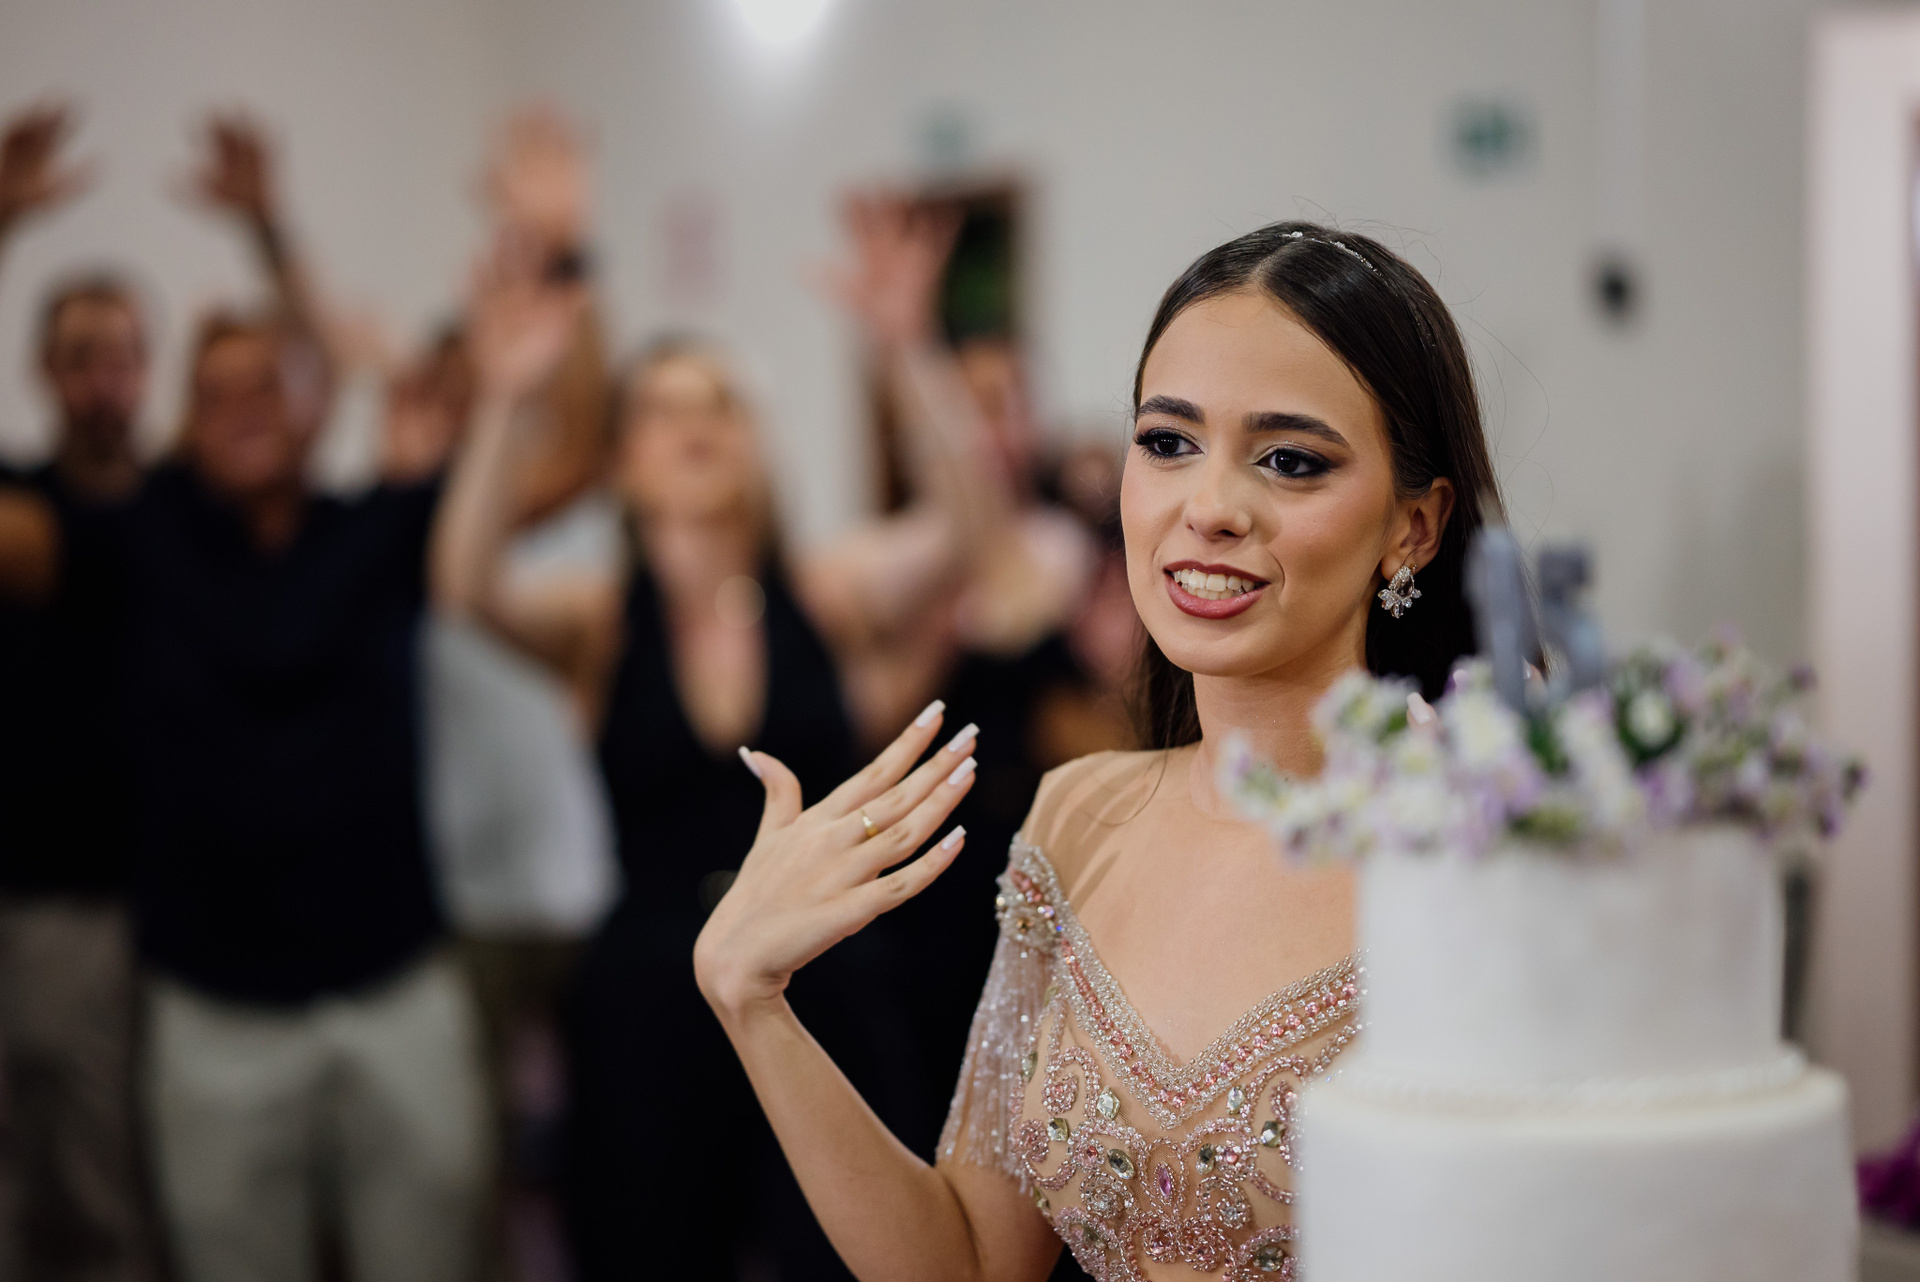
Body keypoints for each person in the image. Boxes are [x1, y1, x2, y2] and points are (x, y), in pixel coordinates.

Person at [690, 220, 1501, 1279]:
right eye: (1167, 443)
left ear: (1414, 526)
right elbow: (973, 1265)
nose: (1209, 508)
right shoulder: (1077, 816)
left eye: (1290, 461)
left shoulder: (1485, 836)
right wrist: (752, 1004)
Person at [0, 117, 490, 1282]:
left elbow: (515, 434)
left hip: (395, 989)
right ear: (184, 417)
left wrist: (272, 232)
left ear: (318, 401)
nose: (246, 404)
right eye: (214, 390)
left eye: (269, 382)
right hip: (212, 1013)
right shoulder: (141, 538)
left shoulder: (379, 527)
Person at [0, 101, 154, 1282]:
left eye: (122, 354)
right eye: (80, 355)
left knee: (127, 1187)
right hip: (45, 900)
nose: (104, 380)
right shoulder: (24, 513)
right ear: (44, 372)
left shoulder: (184, 511)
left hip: (162, 904)